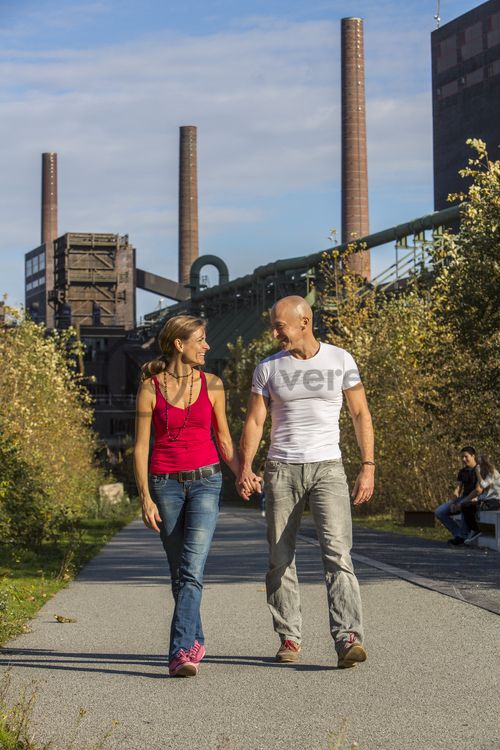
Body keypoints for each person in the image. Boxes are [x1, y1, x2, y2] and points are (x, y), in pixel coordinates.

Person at [237, 295, 374, 669]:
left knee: (338, 554)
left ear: (305, 321)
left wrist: (368, 465)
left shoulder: (340, 359)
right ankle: (289, 638)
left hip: (328, 468)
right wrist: (245, 466)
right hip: (282, 468)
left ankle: (348, 638)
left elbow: (360, 413)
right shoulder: (268, 368)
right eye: (273, 325)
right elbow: (254, 421)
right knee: (280, 558)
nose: (274, 331)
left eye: (279, 325)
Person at [134, 315, 239, 677]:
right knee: (179, 571)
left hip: (207, 481)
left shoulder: (213, 384)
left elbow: (224, 439)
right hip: (165, 484)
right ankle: (196, 638)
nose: (207, 346)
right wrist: (145, 497)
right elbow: (141, 447)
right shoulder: (149, 389)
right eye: (201, 340)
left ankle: (180, 652)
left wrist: (243, 473)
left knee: (192, 568)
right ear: (180, 344)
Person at [434, 446, 480, 545]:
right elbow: (458, 489)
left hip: (476, 499)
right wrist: (453, 501)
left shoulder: (480, 470)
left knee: (464, 506)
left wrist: (462, 503)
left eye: (466, 456)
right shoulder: (462, 472)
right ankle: (458, 535)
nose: (463, 459)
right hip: (464, 498)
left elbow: (479, 490)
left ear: (473, 456)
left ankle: (462, 536)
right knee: (439, 512)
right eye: (462, 457)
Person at [463, 455, 500, 545]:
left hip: (495, 502)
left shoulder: (493, 473)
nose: (477, 466)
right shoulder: (488, 473)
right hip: (489, 500)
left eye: (478, 464)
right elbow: (486, 492)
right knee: (466, 505)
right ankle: (473, 530)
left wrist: (478, 473)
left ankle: (476, 530)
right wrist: (478, 498)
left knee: (468, 507)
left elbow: (483, 485)